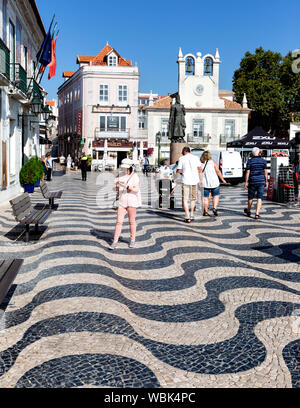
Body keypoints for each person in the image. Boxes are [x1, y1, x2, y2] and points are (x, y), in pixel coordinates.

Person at [110, 159, 141, 250]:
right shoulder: (119, 175)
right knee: (119, 221)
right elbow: (115, 188)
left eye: (126, 168)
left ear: (130, 167)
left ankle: (132, 240)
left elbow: (136, 189)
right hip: (122, 201)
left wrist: (127, 187)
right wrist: (116, 186)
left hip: (132, 201)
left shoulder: (135, 176)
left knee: (132, 221)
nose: (124, 169)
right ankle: (115, 241)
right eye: (124, 168)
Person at [176, 147, 202, 223]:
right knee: (193, 199)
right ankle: (192, 214)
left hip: (186, 181)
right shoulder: (196, 158)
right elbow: (200, 169)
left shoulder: (182, 158)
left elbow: (179, 170)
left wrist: (175, 178)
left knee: (185, 199)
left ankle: (187, 216)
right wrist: (201, 180)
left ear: (184, 151)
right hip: (194, 181)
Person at [199, 151, 227, 217]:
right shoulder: (213, 162)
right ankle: (214, 208)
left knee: (205, 198)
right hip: (215, 183)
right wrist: (223, 179)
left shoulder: (200, 164)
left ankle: (205, 211)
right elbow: (218, 172)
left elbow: (199, 174)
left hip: (205, 184)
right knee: (216, 196)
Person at [244, 147, 268, 219]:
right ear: (258, 152)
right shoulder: (263, 161)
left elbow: (247, 172)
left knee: (250, 197)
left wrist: (246, 182)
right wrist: (266, 181)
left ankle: (248, 211)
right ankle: (257, 214)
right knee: (259, 198)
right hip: (261, 181)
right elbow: (265, 172)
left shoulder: (250, 161)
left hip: (252, 181)